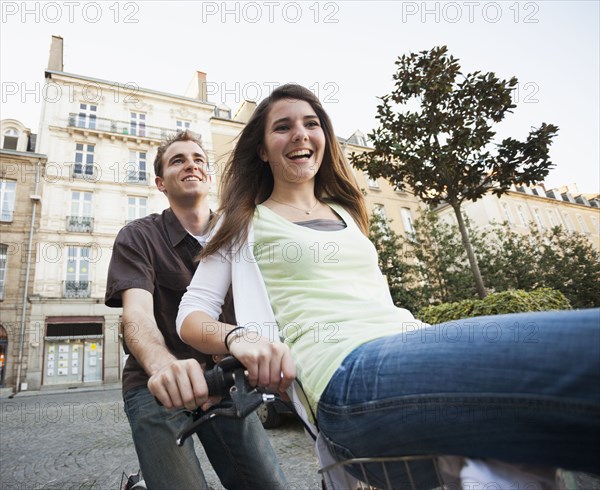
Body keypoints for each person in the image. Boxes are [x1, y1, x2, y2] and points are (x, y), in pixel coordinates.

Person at [175, 84, 600, 487]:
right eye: (282, 127)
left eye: (311, 123)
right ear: (262, 150)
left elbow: (378, 301)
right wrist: (241, 338)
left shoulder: (348, 212)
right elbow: (191, 316)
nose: (300, 134)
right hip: (344, 375)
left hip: (410, 343)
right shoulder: (246, 220)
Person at [105, 130, 288, 490]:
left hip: (224, 383)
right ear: (160, 183)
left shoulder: (241, 234)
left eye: (198, 159)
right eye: (178, 160)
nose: (191, 164)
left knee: (267, 483)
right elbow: (136, 317)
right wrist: (165, 367)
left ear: (208, 175)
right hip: (156, 384)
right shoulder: (138, 236)